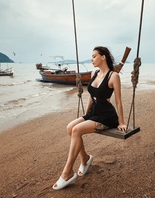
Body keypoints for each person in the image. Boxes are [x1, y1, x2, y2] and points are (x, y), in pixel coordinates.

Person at [53, 46, 127, 190]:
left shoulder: (114, 76)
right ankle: (85, 158)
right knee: (70, 127)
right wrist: (85, 116)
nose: (92, 59)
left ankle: (67, 172)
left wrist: (122, 122)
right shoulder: (94, 72)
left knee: (76, 131)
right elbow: (91, 97)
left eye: (94, 56)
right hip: (93, 113)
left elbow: (118, 101)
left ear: (103, 57)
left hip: (106, 116)